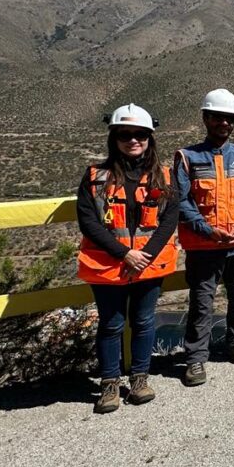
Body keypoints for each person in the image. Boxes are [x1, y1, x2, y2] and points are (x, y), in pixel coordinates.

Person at [77, 103, 179, 414]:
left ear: (150, 138)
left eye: (140, 135)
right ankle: (109, 383)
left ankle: (139, 378)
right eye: (125, 134)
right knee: (111, 323)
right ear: (114, 137)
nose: (133, 140)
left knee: (144, 321)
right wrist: (125, 253)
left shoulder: (164, 176)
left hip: (148, 264)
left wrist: (143, 255)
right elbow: (88, 221)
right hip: (109, 263)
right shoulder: (95, 176)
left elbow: (169, 219)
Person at [174, 89, 234, 386]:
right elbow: (182, 200)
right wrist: (205, 228)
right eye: (218, 117)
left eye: (230, 119)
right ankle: (196, 359)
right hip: (203, 246)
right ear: (205, 118)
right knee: (202, 302)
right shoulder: (187, 157)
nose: (224, 123)